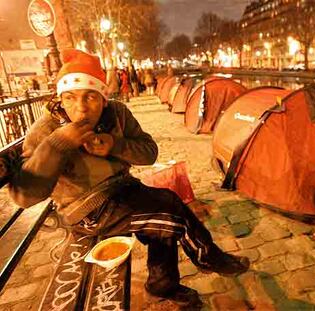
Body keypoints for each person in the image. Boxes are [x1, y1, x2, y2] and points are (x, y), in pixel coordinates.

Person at [8, 49, 249, 308]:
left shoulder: (118, 114)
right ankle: (208, 257)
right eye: (70, 98)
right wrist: (58, 145)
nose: (80, 108)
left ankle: (162, 285)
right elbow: (24, 196)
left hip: (122, 190)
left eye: (90, 96)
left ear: (103, 98)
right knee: (169, 215)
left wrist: (115, 144)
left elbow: (149, 153)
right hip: (86, 212)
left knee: (164, 208)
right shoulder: (46, 130)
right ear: (60, 99)